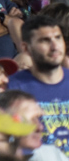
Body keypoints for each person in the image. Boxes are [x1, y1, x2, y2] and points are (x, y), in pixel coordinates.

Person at [5, 15, 69, 152]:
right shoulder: (11, 88)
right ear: (26, 49)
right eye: (45, 41)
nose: (54, 46)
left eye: (58, 38)